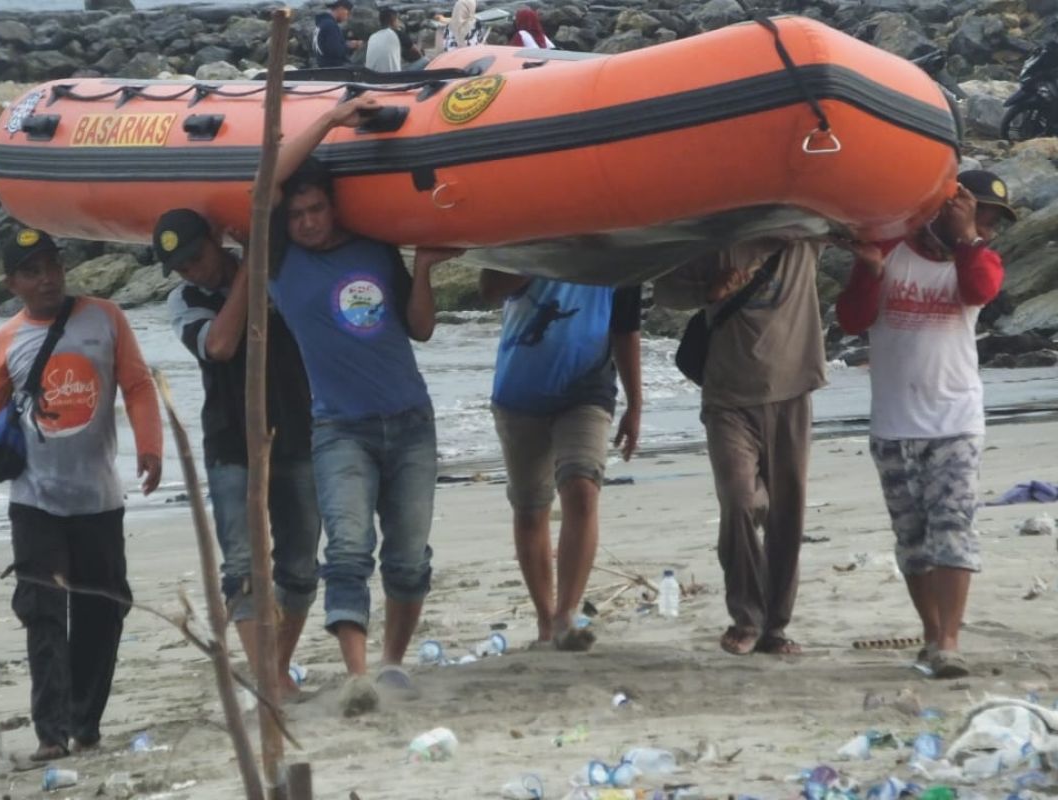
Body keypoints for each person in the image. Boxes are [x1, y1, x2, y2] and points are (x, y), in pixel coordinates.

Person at [266, 95, 465, 716]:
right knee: (347, 551)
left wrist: (425, 270)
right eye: (296, 212)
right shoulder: (279, 258)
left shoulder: (376, 247)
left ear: (333, 205)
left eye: (316, 208)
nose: (306, 221)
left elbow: (421, 330)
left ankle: (394, 663)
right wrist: (328, 120)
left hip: (411, 420)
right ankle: (357, 677)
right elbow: (264, 185)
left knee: (408, 556)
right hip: (340, 429)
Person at [0, 227, 163, 761]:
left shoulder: (105, 317)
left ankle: (84, 721)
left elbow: (137, 384)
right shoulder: (8, 339)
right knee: (43, 612)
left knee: (104, 611)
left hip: (98, 499)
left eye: (52, 264)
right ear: (12, 283)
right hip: (34, 501)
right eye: (32, 271)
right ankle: (51, 732)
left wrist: (150, 446)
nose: (47, 278)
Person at [835, 170, 1012, 679]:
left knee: (952, 529)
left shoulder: (977, 257)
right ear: (952, 205)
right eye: (986, 216)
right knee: (912, 539)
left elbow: (981, 291)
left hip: (956, 419)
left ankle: (950, 642)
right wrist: (867, 271)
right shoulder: (889, 251)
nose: (992, 230)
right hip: (894, 422)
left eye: (996, 223)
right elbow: (852, 319)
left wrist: (969, 239)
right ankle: (932, 634)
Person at [156, 208, 320, 698]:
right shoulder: (184, 301)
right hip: (232, 446)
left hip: (296, 432)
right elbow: (222, 344)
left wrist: (255, 264)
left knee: (300, 565)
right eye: (182, 266)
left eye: (197, 257)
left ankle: (276, 670)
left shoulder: (280, 276)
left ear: (215, 239)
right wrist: (251, 267)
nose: (193, 271)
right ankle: (271, 678)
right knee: (243, 568)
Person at [655, 237, 826, 657]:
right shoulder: (718, 237)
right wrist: (707, 291)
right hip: (728, 398)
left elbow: (855, 213)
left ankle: (776, 627)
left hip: (792, 393)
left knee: (788, 513)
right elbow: (664, 291)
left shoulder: (802, 238)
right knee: (739, 501)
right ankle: (747, 617)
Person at [479, 272, 642, 651]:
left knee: (582, 489)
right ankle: (545, 618)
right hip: (519, 390)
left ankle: (566, 614)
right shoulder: (528, 235)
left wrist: (635, 404)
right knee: (530, 508)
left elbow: (626, 329)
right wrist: (535, 260)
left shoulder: (619, 253)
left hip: (587, 387)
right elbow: (488, 289)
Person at [313, 0, 361, 68]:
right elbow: (336, 51)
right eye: (348, 13)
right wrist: (352, 46)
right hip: (335, 70)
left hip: (323, 67)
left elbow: (328, 46)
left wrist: (346, 44)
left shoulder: (321, 24)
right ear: (341, 9)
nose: (348, 17)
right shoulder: (331, 25)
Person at [366, 7, 403, 73]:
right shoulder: (396, 33)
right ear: (393, 21)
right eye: (397, 19)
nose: (399, 22)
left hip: (372, 78)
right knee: (424, 61)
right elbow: (414, 52)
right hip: (393, 78)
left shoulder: (372, 36)